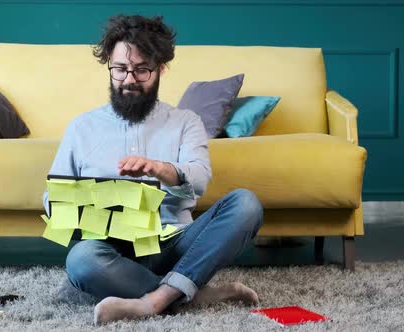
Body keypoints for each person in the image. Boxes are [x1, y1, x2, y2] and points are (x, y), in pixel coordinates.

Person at [43, 14, 264, 325]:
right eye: (120, 69)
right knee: (81, 260)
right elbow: (51, 198)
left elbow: (199, 178)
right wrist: (90, 204)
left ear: (161, 68)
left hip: (175, 242)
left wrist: (161, 169)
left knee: (246, 204)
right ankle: (190, 293)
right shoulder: (82, 127)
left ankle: (153, 301)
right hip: (113, 250)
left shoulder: (186, 122)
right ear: (110, 66)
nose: (129, 79)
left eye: (141, 69)